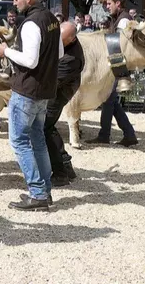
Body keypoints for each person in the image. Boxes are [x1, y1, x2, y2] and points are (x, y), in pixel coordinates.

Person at [0, 0, 62, 210]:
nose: (14, 3)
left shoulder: (31, 23)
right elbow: (59, 53)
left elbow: (31, 61)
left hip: (27, 91)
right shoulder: (53, 20)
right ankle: (45, 192)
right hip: (44, 91)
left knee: (19, 142)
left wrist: (7, 51)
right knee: (38, 140)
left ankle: (37, 192)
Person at [87, 0, 138, 147]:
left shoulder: (123, 21)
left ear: (118, 3)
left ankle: (105, 135)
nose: (107, 7)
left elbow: (117, 45)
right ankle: (128, 134)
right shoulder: (120, 19)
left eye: (109, 4)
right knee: (111, 101)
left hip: (118, 65)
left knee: (109, 100)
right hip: (117, 65)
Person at [44, 22, 84, 186]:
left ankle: (61, 172)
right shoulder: (65, 40)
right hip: (56, 88)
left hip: (59, 92)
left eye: (62, 41)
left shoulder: (72, 59)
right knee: (47, 127)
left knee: (45, 127)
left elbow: (51, 81)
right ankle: (65, 167)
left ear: (72, 39)